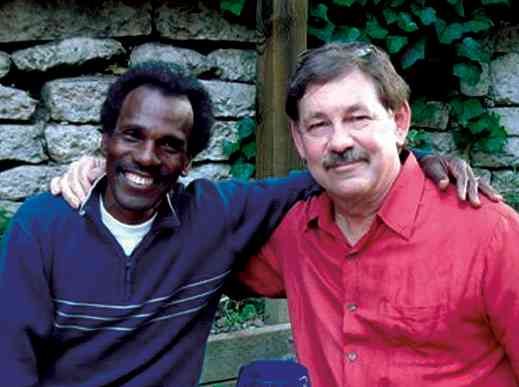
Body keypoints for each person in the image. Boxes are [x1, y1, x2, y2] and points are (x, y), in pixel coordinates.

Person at [22, 61, 492, 386]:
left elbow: (328, 173)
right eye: (131, 136)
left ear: (188, 161)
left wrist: (419, 157)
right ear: (105, 139)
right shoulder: (42, 226)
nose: (146, 156)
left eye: (168, 145)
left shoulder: (212, 218)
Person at [229, 42, 519, 386]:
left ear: (399, 121)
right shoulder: (295, 233)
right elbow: (206, 265)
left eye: (358, 118)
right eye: (319, 125)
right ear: (298, 138)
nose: (338, 142)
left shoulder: (489, 234)